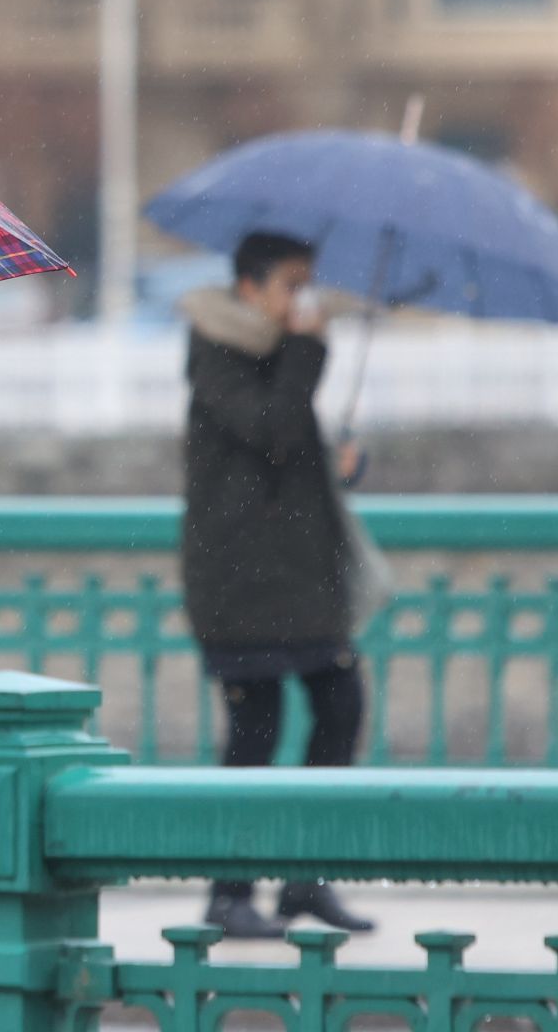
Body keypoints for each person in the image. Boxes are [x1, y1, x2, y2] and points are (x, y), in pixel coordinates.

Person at [180, 232, 375, 940]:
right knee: (253, 735)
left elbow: (289, 454)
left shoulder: (277, 355)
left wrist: (341, 463)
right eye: (292, 285)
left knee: (340, 706)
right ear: (250, 288)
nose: (304, 301)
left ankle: (305, 880)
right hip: (242, 583)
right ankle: (230, 894)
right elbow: (268, 429)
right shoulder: (217, 350)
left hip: (297, 579)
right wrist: (310, 352)